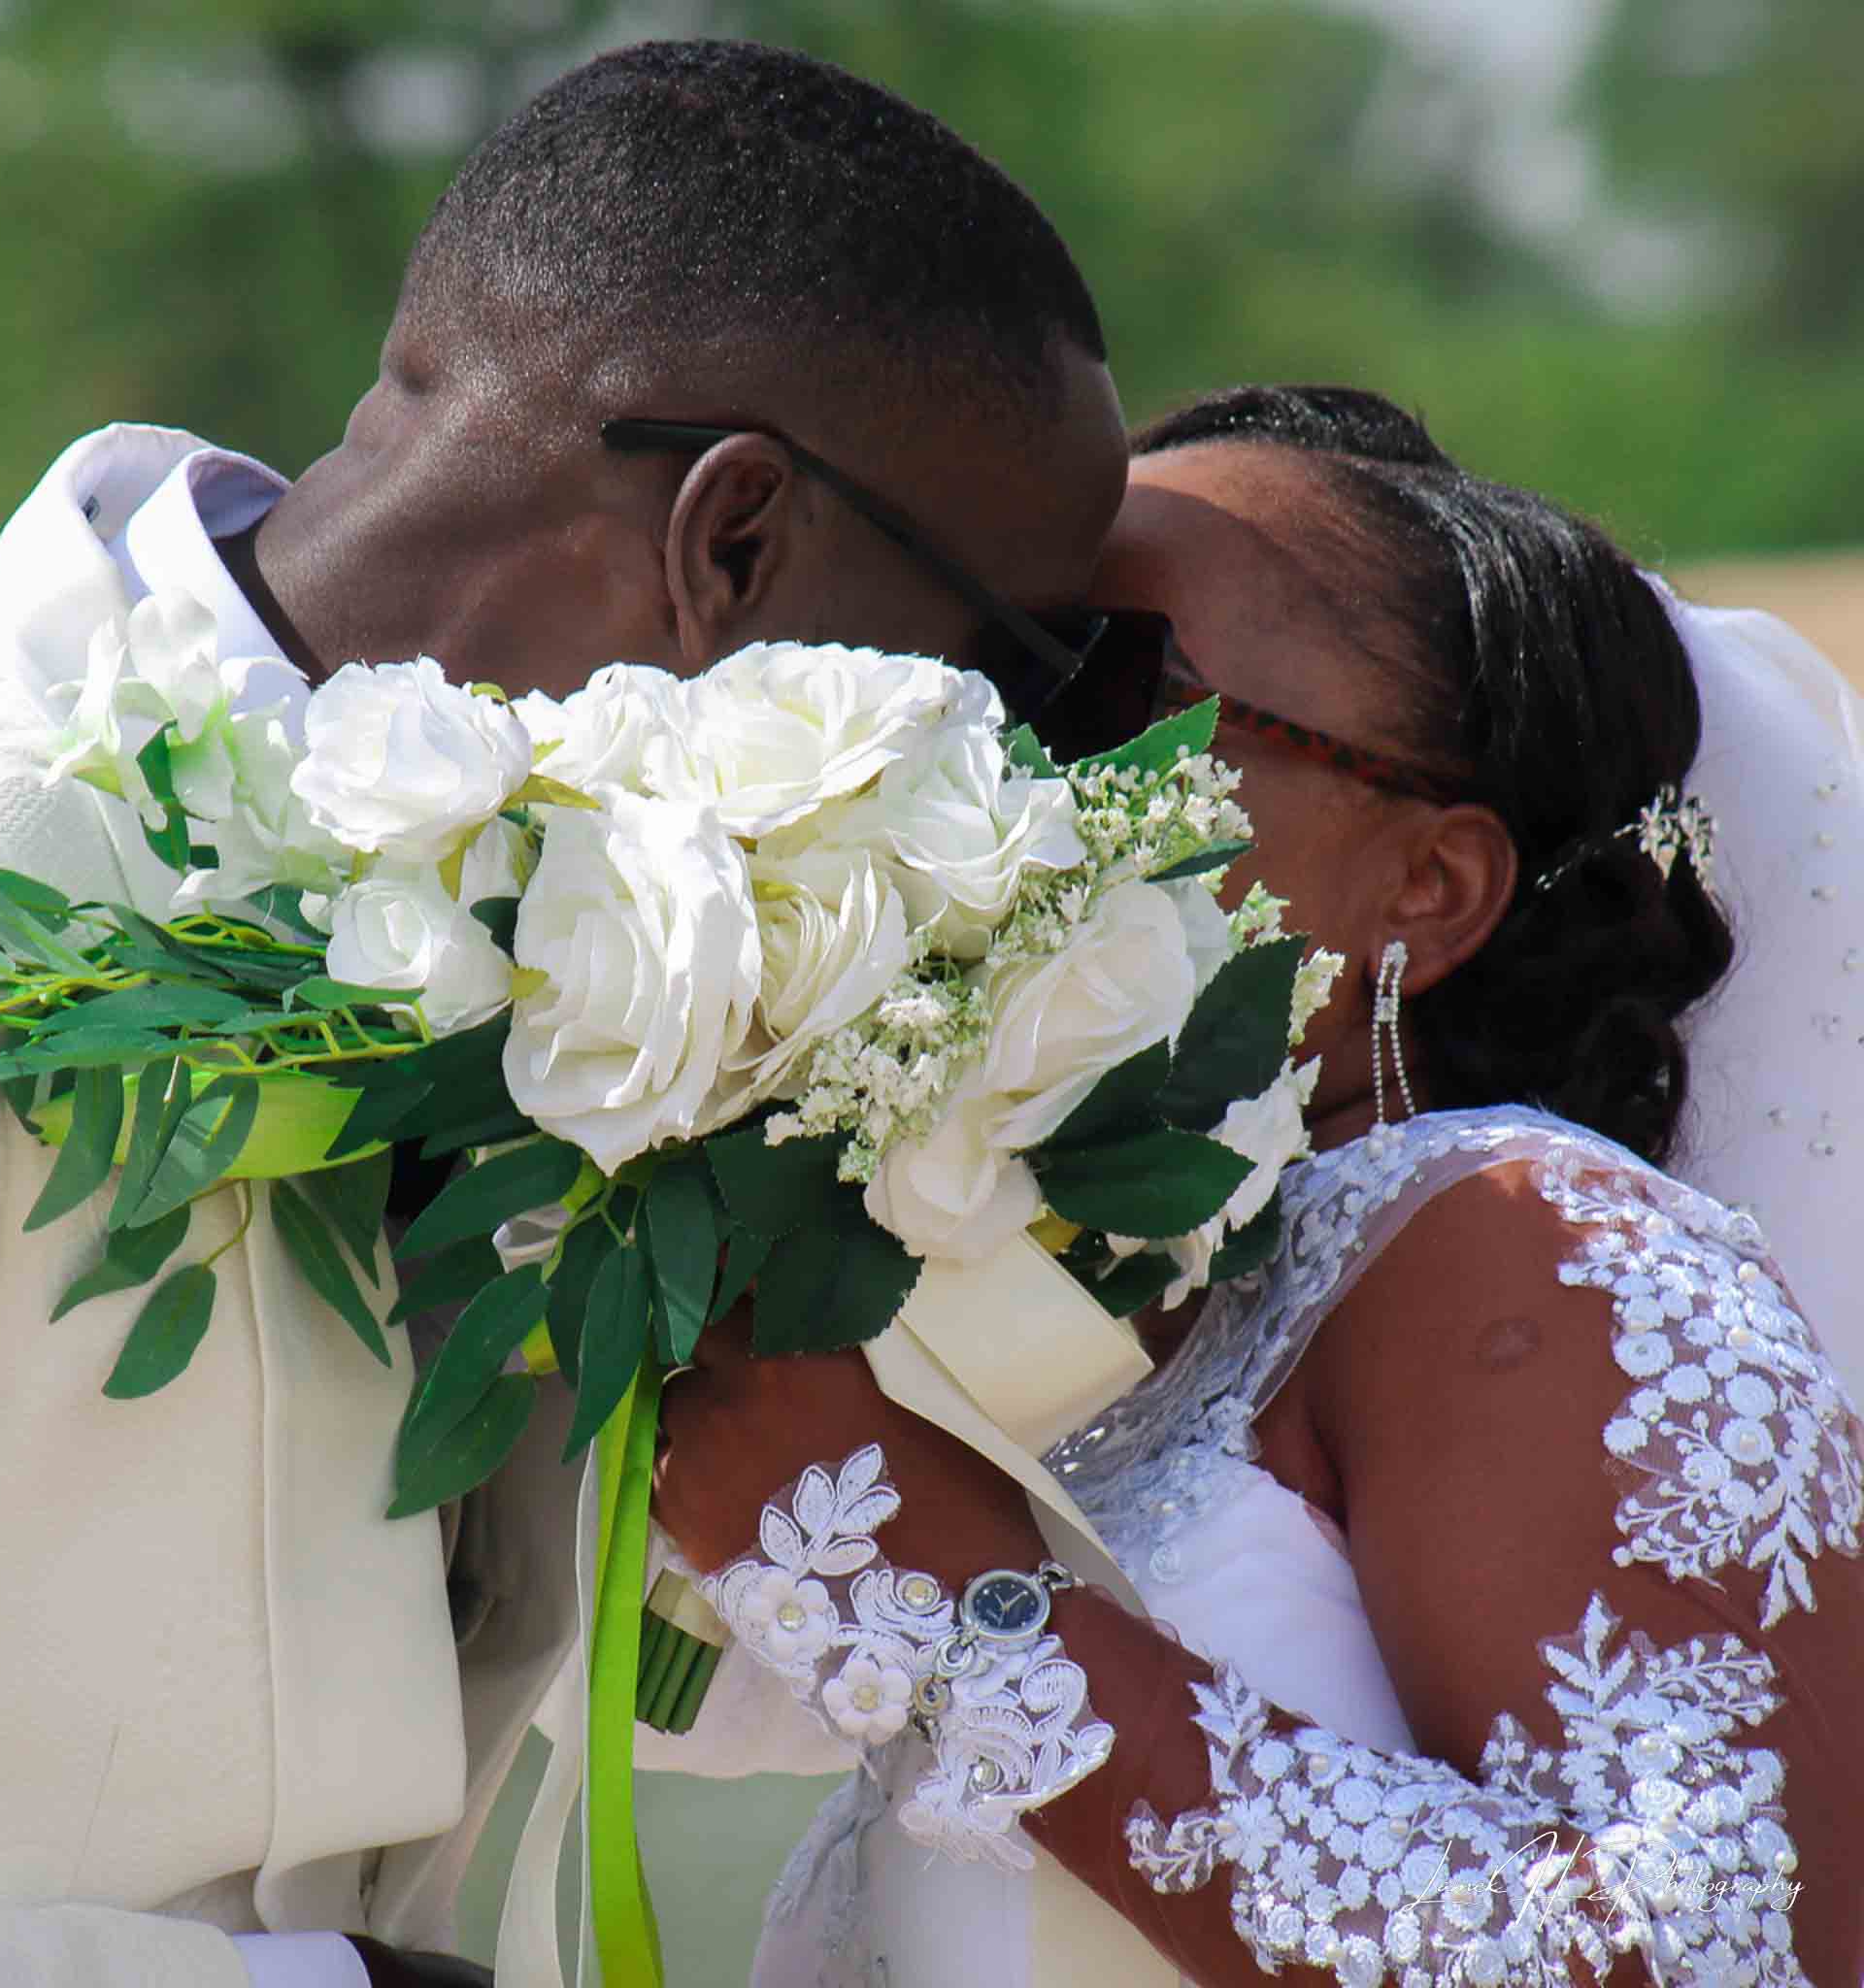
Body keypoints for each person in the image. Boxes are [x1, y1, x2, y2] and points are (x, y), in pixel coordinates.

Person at [0, 40, 1126, 1988]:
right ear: (730, 539)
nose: (1027, 760)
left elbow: (680, 1680)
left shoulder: (618, 931)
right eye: (1030, 665)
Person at [653, 386, 1864, 1985]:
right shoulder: (1146, 1314)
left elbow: (1720, 1955)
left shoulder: (1523, 1242)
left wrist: (926, 1594)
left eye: (1114, 685)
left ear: (1427, 885)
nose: (991, 755)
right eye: (985, 669)